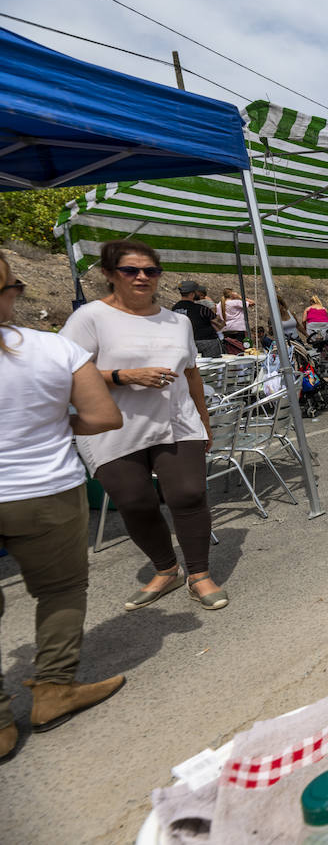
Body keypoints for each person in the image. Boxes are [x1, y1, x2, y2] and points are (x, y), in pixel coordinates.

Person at [0, 255, 126, 760]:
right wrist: (56, 425)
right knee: (61, 589)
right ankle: (53, 689)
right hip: (43, 489)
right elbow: (103, 416)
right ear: (9, 291)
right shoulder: (55, 349)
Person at [60, 239, 228, 612]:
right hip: (113, 427)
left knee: (189, 495)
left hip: (177, 421)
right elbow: (64, 372)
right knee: (134, 502)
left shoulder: (178, 321)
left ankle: (198, 574)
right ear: (109, 274)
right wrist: (123, 375)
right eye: (130, 270)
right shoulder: (89, 318)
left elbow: (191, 374)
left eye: (150, 271)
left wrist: (205, 421)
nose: (142, 277)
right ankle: (166, 569)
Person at [173, 280, 223, 358]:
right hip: (207, 343)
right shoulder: (201, 309)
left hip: (185, 343)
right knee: (213, 366)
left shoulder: (175, 309)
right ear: (192, 294)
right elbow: (220, 324)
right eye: (197, 292)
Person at [216, 288, 255, 353]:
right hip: (238, 329)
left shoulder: (219, 304)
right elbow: (252, 303)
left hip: (226, 329)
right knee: (241, 349)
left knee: (229, 350)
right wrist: (239, 296)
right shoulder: (236, 302)